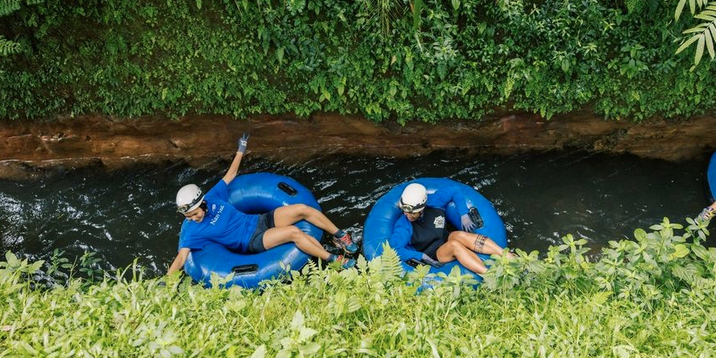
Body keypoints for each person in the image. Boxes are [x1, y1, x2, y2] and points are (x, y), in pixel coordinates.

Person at [167, 134, 358, 275]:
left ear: (202, 203)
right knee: (294, 233)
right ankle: (334, 259)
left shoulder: (214, 196)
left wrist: (241, 149)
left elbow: (230, 175)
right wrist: (167, 280)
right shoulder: (193, 231)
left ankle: (340, 236)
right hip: (252, 241)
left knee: (302, 209)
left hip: (259, 220)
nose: (193, 218)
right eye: (188, 216)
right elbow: (182, 258)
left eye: (194, 213)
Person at [389, 182, 511, 275]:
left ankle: (510, 256)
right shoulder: (403, 226)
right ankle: (490, 275)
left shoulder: (435, 201)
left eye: (412, 213)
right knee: (454, 245)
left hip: (445, 237)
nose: (408, 215)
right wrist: (420, 256)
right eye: (404, 211)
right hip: (432, 254)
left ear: (422, 207)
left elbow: (455, 191)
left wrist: (464, 214)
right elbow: (395, 248)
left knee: (459, 235)